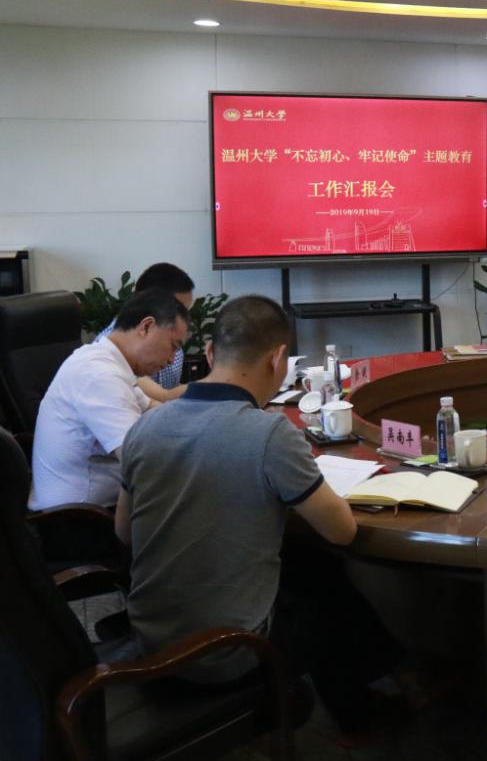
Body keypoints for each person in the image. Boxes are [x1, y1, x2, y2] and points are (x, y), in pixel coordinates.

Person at [115, 295, 406, 740]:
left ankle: (380, 688)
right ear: (278, 359)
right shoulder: (269, 433)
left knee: (311, 568)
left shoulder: (144, 427)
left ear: (209, 353)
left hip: (150, 639)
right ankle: (365, 713)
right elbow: (342, 531)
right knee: (328, 603)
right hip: (224, 655)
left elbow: (123, 532)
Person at [29, 289, 188, 509]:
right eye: (173, 347)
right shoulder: (98, 374)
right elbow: (139, 459)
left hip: (100, 507)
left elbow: (153, 409)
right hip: (79, 518)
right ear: (146, 327)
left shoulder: (109, 362)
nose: (172, 360)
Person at [96, 263, 196, 403]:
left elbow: (167, 396)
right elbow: (164, 397)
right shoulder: (111, 353)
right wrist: (218, 380)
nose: (184, 317)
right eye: (179, 309)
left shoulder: (168, 335)